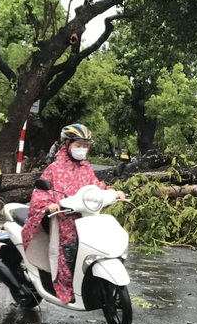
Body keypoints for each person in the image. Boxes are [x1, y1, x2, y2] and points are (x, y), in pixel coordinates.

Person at [21, 123, 126, 304]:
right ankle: (65, 289)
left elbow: (96, 186)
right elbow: (40, 193)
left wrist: (112, 192)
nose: (82, 149)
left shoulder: (86, 168)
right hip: (64, 221)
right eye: (78, 145)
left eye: (85, 146)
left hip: (86, 219)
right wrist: (50, 204)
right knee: (68, 254)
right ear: (67, 145)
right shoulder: (54, 168)